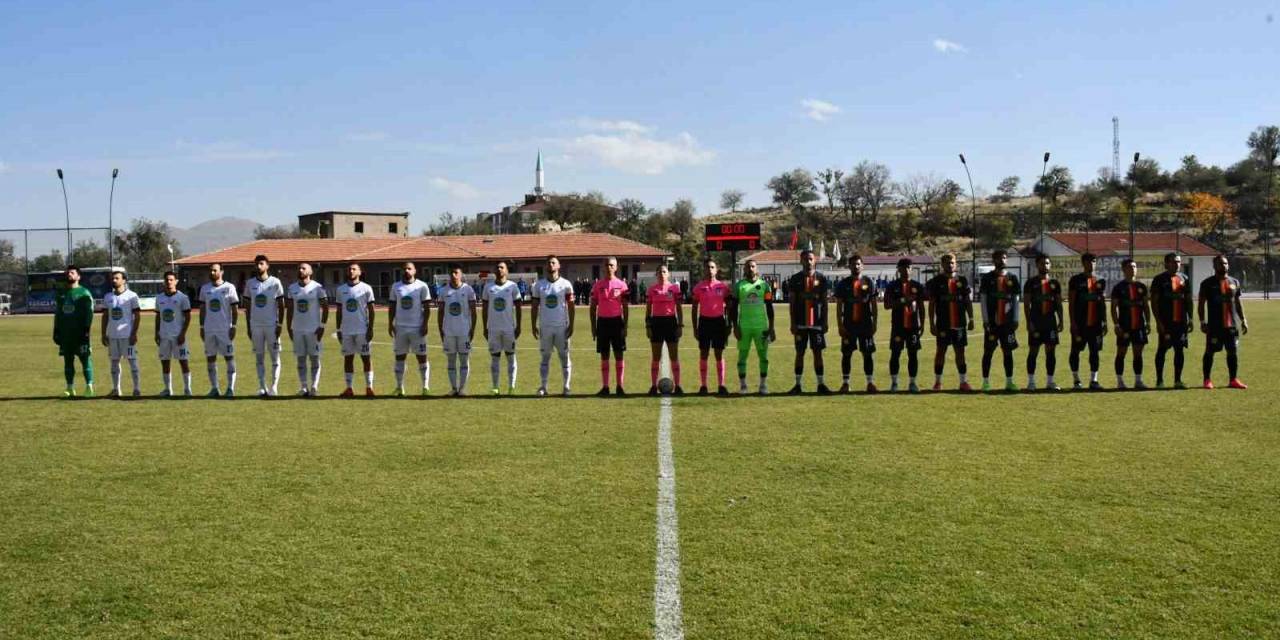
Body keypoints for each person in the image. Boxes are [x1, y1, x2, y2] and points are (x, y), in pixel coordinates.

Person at [1198, 254, 1248, 389]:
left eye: (1225, 263)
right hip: (1214, 326)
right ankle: (1207, 380)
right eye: (1220, 264)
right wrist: (1203, 322)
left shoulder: (1234, 282)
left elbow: (1237, 303)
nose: (1223, 266)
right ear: (1214, 266)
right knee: (1210, 351)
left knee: (1232, 351)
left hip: (1231, 325)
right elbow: (1201, 304)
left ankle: (1233, 380)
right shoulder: (1207, 283)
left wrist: (1243, 320)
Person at [926, 253, 975, 392]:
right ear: (942, 265)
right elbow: (932, 304)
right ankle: (937, 382)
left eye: (952, 262)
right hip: (943, 324)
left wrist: (971, 319)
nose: (950, 265)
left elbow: (967, 301)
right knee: (940, 352)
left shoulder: (962, 281)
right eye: (947, 262)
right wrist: (932, 323)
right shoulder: (936, 281)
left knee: (960, 353)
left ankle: (963, 382)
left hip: (959, 324)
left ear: (956, 264)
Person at [787, 249, 832, 395]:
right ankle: (798, 385)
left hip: (817, 324)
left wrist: (825, 321)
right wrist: (792, 322)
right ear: (801, 261)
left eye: (811, 259)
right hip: (800, 323)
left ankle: (820, 384)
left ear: (815, 261)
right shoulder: (795, 279)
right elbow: (792, 303)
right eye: (806, 259)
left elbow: (825, 302)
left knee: (817, 353)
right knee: (800, 353)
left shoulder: (822, 279)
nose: (808, 262)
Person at [728, 258, 775, 395]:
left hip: (761, 326)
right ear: (744, 270)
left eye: (753, 266)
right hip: (744, 326)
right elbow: (733, 308)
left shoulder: (765, 286)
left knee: (763, 356)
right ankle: (743, 386)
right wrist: (735, 327)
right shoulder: (739, 286)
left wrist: (771, 327)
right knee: (742, 356)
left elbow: (770, 307)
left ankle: (763, 385)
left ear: (757, 268)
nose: (750, 269)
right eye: (748, 267)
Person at [531, 255, 575, 396]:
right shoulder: (539, 285)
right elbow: (534, 306)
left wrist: (571, 325)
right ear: (546, 266)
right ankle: (543, 387)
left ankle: (566, 387)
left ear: (558, 266)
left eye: (553, 262)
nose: (551, 265)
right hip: (545, 327)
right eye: (549, 263)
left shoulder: (566, 284)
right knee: (545, 357)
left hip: (562, 327)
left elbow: (571, 307)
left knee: (564, 356)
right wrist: (533, 325)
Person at [978, 250, 1021, 392]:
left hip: (1007, 323)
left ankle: (1009, 382)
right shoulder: (987, 278)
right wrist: (985, 320)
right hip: (992, 322)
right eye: (998, 258)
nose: (1002, 260)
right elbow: (983, 300)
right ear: (993, 260)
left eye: (1004, 257)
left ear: (1006, 260)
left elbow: (1015, 300)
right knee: (988, 352)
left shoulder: (1012, 278)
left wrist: (1015, 318)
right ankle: (985, 382)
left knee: (1008, 351)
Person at [834, 254, 878, 393]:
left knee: (867, 353)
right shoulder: (843, 284)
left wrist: (875, 323)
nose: (856, 266)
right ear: (849, 266)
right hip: (849, 325)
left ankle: (870, 383)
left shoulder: (868, 282)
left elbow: (874, 305)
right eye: (853, 264)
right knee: (847, 354)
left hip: (865, 325)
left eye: (858, 264)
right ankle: (846, 383)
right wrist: (840, 325)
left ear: (862, 266)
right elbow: (839, 306)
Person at [243, 254, 285, 397]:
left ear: (267, 265)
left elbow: (281, 304)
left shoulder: (275, 282)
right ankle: (262, 387)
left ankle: (274, 386)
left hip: (271, 326)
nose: (258, 266)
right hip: (256, 326)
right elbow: (247, 307)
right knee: (259, 358)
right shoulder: (250, 284)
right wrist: (248, 326)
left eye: (261, 263)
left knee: (275, 358)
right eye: (256, 264)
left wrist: (279, 324)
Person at [1149, 252, 1193, 389]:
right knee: (1162, 349)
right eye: (1174, 262)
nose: (1177, 264)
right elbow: (1154, 303)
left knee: (1179, 350)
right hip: (1166, 322)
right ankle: (1159, 381)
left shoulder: (1184, 278)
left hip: (1181, 322)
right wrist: (1158, 322)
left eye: (1179, 262)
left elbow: (1188, 300)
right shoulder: (1159, 279)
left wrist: (1190, 318)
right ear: (1166, 263)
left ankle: (1177, 380)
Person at [388, 261, 432, 396]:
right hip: (400, 328)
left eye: (409, 268)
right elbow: (392, 307)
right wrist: (390, 323)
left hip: (417, 328)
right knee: (400, 357)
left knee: (422, 357)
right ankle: (400, 387)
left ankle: (425, 387)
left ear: (414, 271)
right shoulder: (396, 286)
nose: (407, 271)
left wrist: (425, 324)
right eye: (405, 269)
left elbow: (427, 308)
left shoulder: (422, 286)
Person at [1022, 254, 1064, 391]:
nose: (1044, 266)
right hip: (1036, 322)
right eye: (1042, 263)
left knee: (1051, 352)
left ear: (1049, 265)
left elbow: (1058, 303)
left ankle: (1050, 382)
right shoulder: (1030, 283)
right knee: (1033, 351)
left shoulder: (1054, 283)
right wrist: (1029, 322)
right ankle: (1031, 383)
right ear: (1037, 265)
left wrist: (1061, 320)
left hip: (1050, 323)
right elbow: (1027, 304)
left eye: (1047, 263)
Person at [285, 262, 328, 397]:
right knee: (300, 359)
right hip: (297, 329)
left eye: (304, 268)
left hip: (313, 330)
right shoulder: (292, 288)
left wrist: (322, 326)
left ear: (310, 272)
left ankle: (314, 386)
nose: (301, 270)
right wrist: (289, 327)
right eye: (299, 268)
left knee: (315, 359)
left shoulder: (317, 288)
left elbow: (325, 308)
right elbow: (290, 309)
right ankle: (303, 387)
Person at [53, 265, 96, 397]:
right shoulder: (61, 294)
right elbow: (58, 314)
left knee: (85, 359)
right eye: (68, 273)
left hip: (80, 333)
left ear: (78, 276)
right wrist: (56, 330)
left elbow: (89, 314)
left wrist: (86, 330)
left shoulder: (84, 293)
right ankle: (70, 387)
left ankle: (89, 386)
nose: (69, 274)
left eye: (72, 273)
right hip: (66, 334)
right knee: (68, 360)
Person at [1067, 252, 1108, 391]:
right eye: (1089, 261)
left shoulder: (1101, 280)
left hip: (1095, 324)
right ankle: (1076, 380)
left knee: (1095, 352)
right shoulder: (1075, 280)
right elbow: (1071, 303)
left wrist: (1105, 321)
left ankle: (1094, 380)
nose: (1091, 264)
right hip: (1080, 323)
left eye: (1094, 261)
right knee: (1075, 351)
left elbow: (1102, 302)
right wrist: (1072, 322)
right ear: (1083, 263)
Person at [690, 258, 731, 395]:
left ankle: (721, 385)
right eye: (707, 267)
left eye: (712, 267)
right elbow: (694, 308)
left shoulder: (723, 287)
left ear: (716, 270)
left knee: (719, 354)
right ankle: (703, 385)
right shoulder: (698, 287)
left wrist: (729, 324)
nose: (710, 270)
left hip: (719, 322)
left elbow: (729, 307)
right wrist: (695, 328)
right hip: (704, 322)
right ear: (704, 270)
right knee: (704, 353)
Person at [884, 258, 925, 392]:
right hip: (898, 326)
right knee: (895, 353)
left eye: (909, 267)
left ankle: (912, 383)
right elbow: (887, 305)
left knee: (913, 354)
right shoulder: (892, 286)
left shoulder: (917, 286)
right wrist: (903, 300)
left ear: (911, 269)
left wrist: (923, 323)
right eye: (903, 268)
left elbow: (921, 306)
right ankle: (894, 383)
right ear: (899, 269)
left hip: (913, 326)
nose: (906, 270)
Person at [589, 257, 629, 396]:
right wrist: (593, 327)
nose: (608, 267)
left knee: (619, 354)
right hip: (603, 323)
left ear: (616, 267)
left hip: (617, 322)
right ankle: (605, 387)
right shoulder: (597, 285)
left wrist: (626, 326)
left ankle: (620, 386)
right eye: (606, 265)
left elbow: (625, 307)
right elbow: (593, 308)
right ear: (603, 267)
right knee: (604, 355)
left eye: (611, 265)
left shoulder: (622, 285)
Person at [198, 263, 239, 397]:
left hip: (224, 330)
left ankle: (230, 388)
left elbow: (234, 309)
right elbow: (202, 309)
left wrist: (234, 326)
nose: (212, 273)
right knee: (210, 358)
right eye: (210, 270)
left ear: (221, 272)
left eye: (215, 270)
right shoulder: (205, 289)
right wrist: (202, 327)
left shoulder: (229, 287)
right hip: (209, 329)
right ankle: (214, 388)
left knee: (229, 357)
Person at [335, 262, 376, 397]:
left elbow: (371, 310)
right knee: (348, 359)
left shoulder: (366, 288)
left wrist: (370, 328)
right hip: (346, 330)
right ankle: (349, 388)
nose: (351, 271)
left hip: (362, 330)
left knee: (366, 358)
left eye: (354, 269)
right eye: (349, 269)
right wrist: (339, 329)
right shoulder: (341, 290)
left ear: (359, 272)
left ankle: (369, 387)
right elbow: (339, 311)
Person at [1110, 258, 1151, 390]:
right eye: (1129, 267)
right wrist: (1116, 325)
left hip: (1139, 325)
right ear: (1123, 269)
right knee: (1121, 353)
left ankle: (1138, 381)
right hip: (1124, 326)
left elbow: (1145, 306)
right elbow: (1113, 308)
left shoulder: (1141, 287)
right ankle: (1120, 381)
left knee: (1138, 353)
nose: (1132, 269)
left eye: (1134, 266)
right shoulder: (1118, 288)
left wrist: (1148, 322)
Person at [483, 259, 522, 395]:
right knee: (495, 357)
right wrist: (484, 327)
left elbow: (518, 307)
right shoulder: (488, 287)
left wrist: (518, 326)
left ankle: (511, 386)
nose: (499, 269)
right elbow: (485, 308)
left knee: (511, 357)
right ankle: (495, 387)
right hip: (493, 329)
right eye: (497, 267)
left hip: (508, 328)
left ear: (507, 271)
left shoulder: (513, 287)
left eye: (502, 267)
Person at [438, 264, 478, 396]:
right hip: (449, 332)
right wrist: (440, 330)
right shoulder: (443, 291)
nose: (453, 275)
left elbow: (473, 312)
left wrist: (472, 329)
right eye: (451, 273)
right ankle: (453, 388)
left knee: (464, 360)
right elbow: (441, 312)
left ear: (461, 274)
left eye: (456, 272)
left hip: (464, 331)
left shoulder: (468, 290)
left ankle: (462, 388)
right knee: (450, 361)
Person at [101, 268, 142, 397]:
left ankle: (136, 389)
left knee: (133, 362)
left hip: (127, 336)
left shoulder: (132, 296)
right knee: (114, 362)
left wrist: (134, 333)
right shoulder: (108, 297)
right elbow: (105, 316)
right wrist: (103, 333)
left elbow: (137, 315)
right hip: (113, 336)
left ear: (124, 280)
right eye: (113, 278)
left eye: (117, 278)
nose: (114, 280)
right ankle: (116, 389)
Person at [646, 263, 685, 395]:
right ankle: (653, 386)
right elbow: (648, 310)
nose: (662, 274)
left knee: (674, 356)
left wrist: (680, 325)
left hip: (671, 322)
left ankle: (678, 385)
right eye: (659, 272)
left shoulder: (674, 289)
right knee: (656, 357)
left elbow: (679, 308)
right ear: (656, 275)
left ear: (668, 274)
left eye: (664, 272)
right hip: (656, 323)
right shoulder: (652, 290)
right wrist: (648, 326)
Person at [154, 270, 193, 397]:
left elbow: (188, 317)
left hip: (178, 336)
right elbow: (158, 316)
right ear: (164, 282)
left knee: (183, 361)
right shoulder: (159, 298)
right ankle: (168, 389)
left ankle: (187, 389)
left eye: (171, 280)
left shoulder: (182, 298)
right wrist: (156, 332)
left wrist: (183, 333)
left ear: (176, 281)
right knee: (165, 362)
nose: (169, 282)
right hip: (164, 335)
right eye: (167, 280)